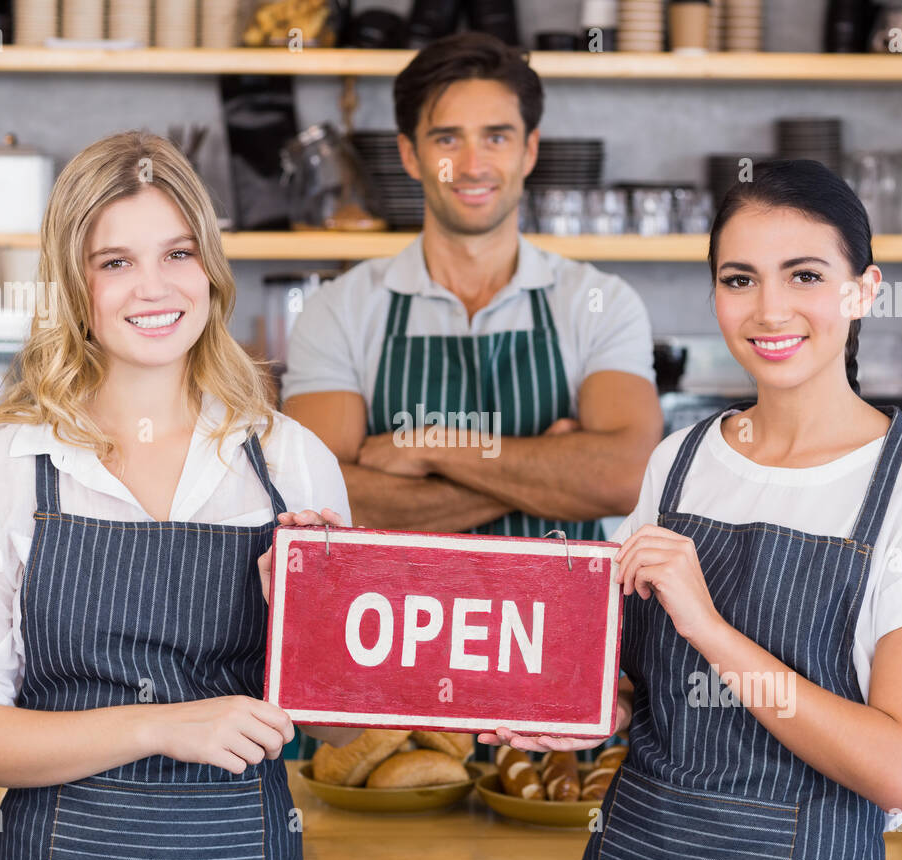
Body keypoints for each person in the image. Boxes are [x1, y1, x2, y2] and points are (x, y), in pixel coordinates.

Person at [482, 159, 902, 860]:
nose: (769, 309)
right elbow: (652, 690)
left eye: (806, 275)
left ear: (863, 292)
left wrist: (712, 630)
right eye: (739, 279)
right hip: (635, 845)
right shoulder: (680, 462)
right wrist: (599, 713)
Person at [0, 130, 357, 860]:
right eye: (115, 263)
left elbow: (345, 732)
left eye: (178, 254)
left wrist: (312, 625)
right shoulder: (0, 473)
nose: (155, 287)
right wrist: (159, 727)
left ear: (209, 270)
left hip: (246, 851)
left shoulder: (289, 461)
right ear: (73, 290)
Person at [281, 32, 662, 537]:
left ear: (529, 151)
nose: (473, 165)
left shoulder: (600, 303)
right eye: (447, 139)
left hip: (559, 616)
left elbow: (625, 476)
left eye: (497, 137)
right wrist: (547, 478)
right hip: (396, 614)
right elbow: (320, 500)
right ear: (410, 155)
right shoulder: (340, 310)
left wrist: (429, 445)